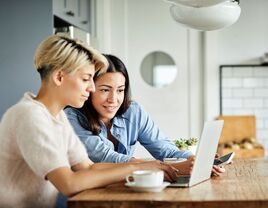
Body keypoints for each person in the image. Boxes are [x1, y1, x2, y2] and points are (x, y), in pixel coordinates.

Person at [0, 35, 180, 208]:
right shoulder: (30, 116)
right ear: (59, 77)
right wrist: (133, 168)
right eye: (86, 79)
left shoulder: (56, 116)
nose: (92, 87)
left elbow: (88, 167)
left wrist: (145, 166)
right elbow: (69, 183)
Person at [64, 54, 223, 175]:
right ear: (89, 88)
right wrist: (170, 167)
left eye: (120, 90)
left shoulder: (133, 111)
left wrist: (192, 159)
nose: (114, 99)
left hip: (122, 187)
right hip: (85, 195)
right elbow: (106, 157)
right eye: (105, 90)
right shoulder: (72, 117)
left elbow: (164, 148)